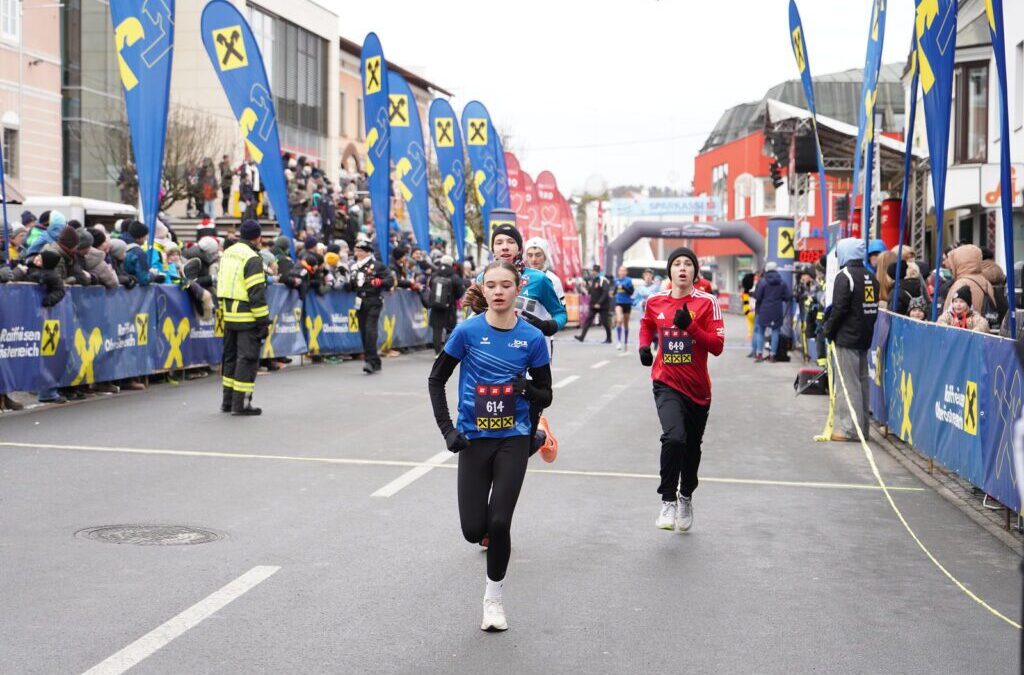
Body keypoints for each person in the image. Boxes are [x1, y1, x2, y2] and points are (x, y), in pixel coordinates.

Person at [427, 260, 553, 632]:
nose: (498, 291)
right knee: (473, 530)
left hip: (512, 437)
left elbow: (546, 392)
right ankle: (541, 439)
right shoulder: (467, 332)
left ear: (517, 290)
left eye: (505, 285)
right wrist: (449, 431)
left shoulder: (531, 338)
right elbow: (436, 381)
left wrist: (527, 390)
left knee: (499, 522)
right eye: (491, 285)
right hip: (473, 440)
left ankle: (493, 599)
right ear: (483, 290)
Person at [462, 213, 566, 461]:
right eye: (499, 242)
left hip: (532, 355)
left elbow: (560, 313)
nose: (504, 247)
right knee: (496, 427)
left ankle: (539, 435)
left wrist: (547, 325)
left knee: (526, 431)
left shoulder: (539, 279)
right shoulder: (481, 279)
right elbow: (470, 317)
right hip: (495, 357)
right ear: (493, 248)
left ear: (519, 247)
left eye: (510, 242)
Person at [638, 247, 724, 532]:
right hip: (666, 382)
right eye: (677, 264)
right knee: (674, 438)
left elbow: (717, 346)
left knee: (691, 448)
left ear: (695, 272)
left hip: (698, 389)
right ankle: (667, 500)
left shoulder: (707, 303)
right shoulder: (655, 301)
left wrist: (692, 328)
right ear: (670, 271)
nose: (683, 268)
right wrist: (643, 346)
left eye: (689, 264)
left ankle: (686, 495)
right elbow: (647, 324)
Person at [823, 238, 879, 443]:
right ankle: (863, 429)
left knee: (848, 384)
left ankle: (849, 430)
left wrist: (828, 330)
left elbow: (839, 309)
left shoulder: (845, 276)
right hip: (864, 337)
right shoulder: (870, 276)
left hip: (847, 338)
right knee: (863, 383)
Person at [217, 219, 271, 415]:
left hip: (228, 315)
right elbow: (256, 293)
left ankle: (227, 401)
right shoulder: (252, 258)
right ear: (258, 238)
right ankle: (241, 404)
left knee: (230, 358)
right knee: (247, 360)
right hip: (246, 315)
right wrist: (263, 321)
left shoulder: (228, 253)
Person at [348, 239, 394, 374]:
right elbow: (350, 286)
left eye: (360, 250)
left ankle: (371, 361)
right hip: (359, 301)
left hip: (373, 300)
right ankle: (373, 360)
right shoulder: (354, 267)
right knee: (363, 331)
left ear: (367, 252)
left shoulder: (377, 266)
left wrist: (379, 282)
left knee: (370, 330)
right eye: (356, 250)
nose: (357, 253)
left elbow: (389, 280)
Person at [753, 262, 791, 362]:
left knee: (761, 332)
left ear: (766, 269)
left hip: (764, 310)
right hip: (777, 311)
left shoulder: (763, 282)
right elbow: (788, 297)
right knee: (775, 332)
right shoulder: (782, 282)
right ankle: (772, 356)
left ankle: (759, 355)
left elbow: (758, 296)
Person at [427, 254, 465, 354]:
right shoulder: (454, 276)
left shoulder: (435, 274)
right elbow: (460, 291)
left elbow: (431, 286)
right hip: (449, 307)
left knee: (437, 329)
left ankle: (437, 352)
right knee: (451, 329)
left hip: (436, 306)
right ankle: (449, 352)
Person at [575, 265, 611, 344]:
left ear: (597, 271)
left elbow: (605, 293)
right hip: (593, 305)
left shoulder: (603, 280)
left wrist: (599, 303)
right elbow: (591, 291)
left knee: (605, 322)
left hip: (602, 305)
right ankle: (582, 336)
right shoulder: (593, 280)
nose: (593, 272)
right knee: (588, 320)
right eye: (593, 271)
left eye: (594, 271)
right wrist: (584, 290)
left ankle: (609, 338)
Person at [612, 266, 635, 351]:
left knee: (626, 324)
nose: (622, 272)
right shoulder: (616, 280)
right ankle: (618, 342)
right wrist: (612, 294)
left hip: (627, 304)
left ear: (626, 272)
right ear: (618, 272)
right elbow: (615, 291)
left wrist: (624, 288)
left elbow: (631, 292)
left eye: (623, 271)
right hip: (619, 303)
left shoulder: (629, 281)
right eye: (620, 271)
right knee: (619, 319)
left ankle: (625, 342)